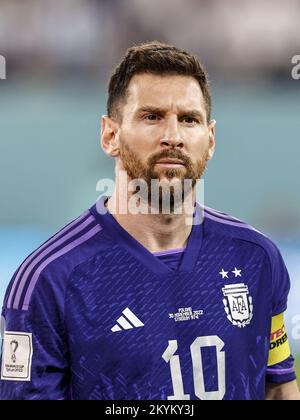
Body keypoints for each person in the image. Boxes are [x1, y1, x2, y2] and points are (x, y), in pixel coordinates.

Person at [0, 41, 299, 400]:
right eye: (152, 116)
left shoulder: (256, 259)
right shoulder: (49, 280)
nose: (172, 137)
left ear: (211, 138)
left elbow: (278, 385)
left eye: (189, 119)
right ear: (110, 135)